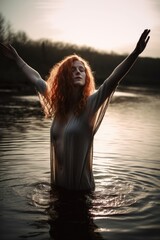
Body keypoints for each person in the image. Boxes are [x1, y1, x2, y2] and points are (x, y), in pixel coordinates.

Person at [0, 29, 150, 192]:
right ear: (64, 76)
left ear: (86, 77)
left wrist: (135, 53)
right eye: (73, 69)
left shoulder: (91, 103)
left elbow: (113, 79)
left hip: (82, 194)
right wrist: (16, 58)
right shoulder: (57, 103)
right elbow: (36, 78)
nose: (78, 72)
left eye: (82, 69)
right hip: (57, 190)